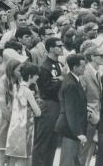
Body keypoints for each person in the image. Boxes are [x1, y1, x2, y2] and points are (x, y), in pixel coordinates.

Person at [32, 37, 63, 166]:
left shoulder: (58, 64)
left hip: (57, 104)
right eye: (59, 46)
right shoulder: (45, 67)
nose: (61, 48)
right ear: (51, 48)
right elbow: (46, 90)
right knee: (43, 140)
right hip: (48, 104)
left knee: (53, 141)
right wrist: (60, 80)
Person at [6, 62, 41, 166]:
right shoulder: (28, 91)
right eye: (36, 75)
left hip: (14, 125)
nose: (37, 77)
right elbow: (38, 112)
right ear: (30, 76)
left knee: (13, 157)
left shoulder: (15, 87)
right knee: (24, 158)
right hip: (25, 127)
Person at [55, 53, 88, 166]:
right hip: (70, 130)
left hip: (73, 128)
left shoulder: (74, 80)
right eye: (83, 66)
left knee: (73, 161)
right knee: (67, 161)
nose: (85, 68)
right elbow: (71, 111)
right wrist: (78, 132)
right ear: (75, 68)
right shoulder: (71, 84)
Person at [80, 46, 103, 166]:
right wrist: (89, 113)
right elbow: (81, 96)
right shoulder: (85, 72)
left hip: (97, 115)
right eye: (101, 55)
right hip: (89, 116)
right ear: (92, 57)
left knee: (91, 148)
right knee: (83, 150)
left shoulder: (98, 72)